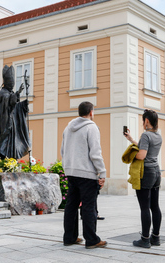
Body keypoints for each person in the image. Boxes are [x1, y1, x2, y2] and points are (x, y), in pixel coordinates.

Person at [61, 101, 107, 249]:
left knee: (71, 206)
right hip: (87, 173)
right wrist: (102, 172)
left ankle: (69, 237)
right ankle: (92, 240)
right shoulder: (91, 127)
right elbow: (95, 152)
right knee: (89, 207)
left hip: (71, 171)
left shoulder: (68, 128)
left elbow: (63, 151)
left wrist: (67, 168)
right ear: (91, 112)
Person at [124, 109, 162, 248]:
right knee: (155, 206)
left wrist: (130, 155)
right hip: (157, 172)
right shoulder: (158, 135)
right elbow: (146, 148)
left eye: (143, 121)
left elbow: (141, 155)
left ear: (146, 121)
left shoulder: (146, 135)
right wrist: (132, 140)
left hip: (146, 173)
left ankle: (145, 239)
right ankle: (156, 237)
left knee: (145, 207)